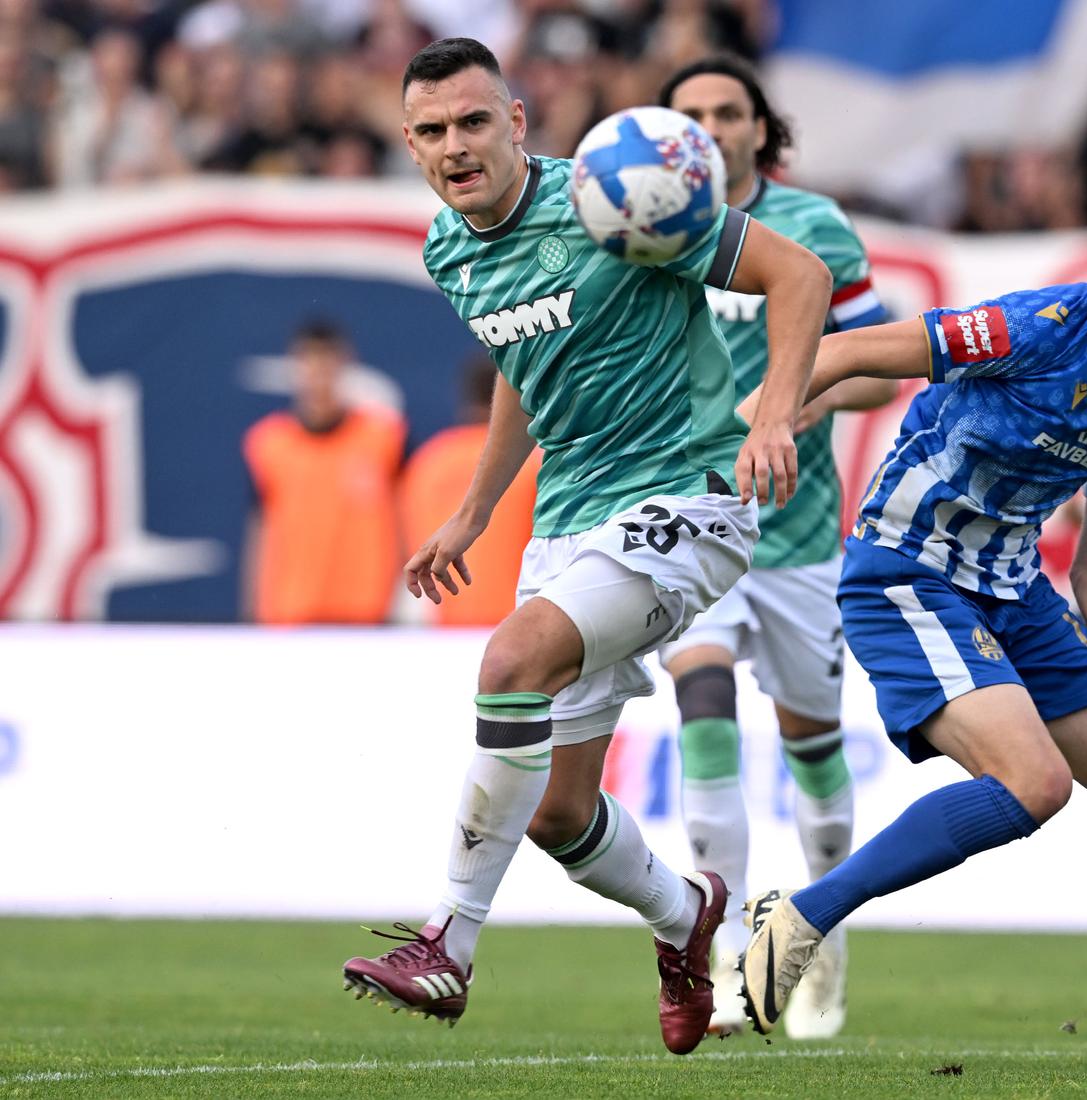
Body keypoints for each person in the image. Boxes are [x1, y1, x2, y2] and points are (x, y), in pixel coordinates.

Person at [339, 37, 833, 1058]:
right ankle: (686, 914)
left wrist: (776, 411)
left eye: (474, 121)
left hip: (687, 496)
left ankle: (449, 939)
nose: (454, 146)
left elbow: (798, 273)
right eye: (431, 131)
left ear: (517, 121)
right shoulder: (448, 249)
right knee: (561, 814)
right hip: (568, 519)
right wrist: (477, 510)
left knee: (508, 659)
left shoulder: (622, 197)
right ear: (410, 145)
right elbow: (529, 362)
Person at [738, 165, 1087, 1068]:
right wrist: (765, 422)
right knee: (1036, 786)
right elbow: (844, 351)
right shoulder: (1036, 327)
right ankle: (801, 916)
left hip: (1015, 586)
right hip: (905, 572)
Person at [649, 55, 896, 1041]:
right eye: (690, 115)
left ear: (760, 128)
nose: (709, 128)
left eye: (726, 111)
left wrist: (788, 408)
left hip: (796, 535)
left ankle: (820, 939)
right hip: (686, 526)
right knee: (700, 701)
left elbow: (876, 370)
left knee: (815, 758)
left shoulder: (815, 228)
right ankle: (726, 939)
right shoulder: (640, 227)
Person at [242, 317, 404, 625]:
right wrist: (253, 613)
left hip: (366, 617)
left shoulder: (384, 437)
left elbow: (405, 517)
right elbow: (260, 530)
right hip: (291, 616)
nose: (317, 374)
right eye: (308, 361)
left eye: (326, 361)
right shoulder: (268, 444)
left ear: (345, 364)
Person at [400, 356, 540, 627]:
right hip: (519, 622)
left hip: (446, 623)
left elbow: (407, 538)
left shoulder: (429, 460)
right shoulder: (532, 462)